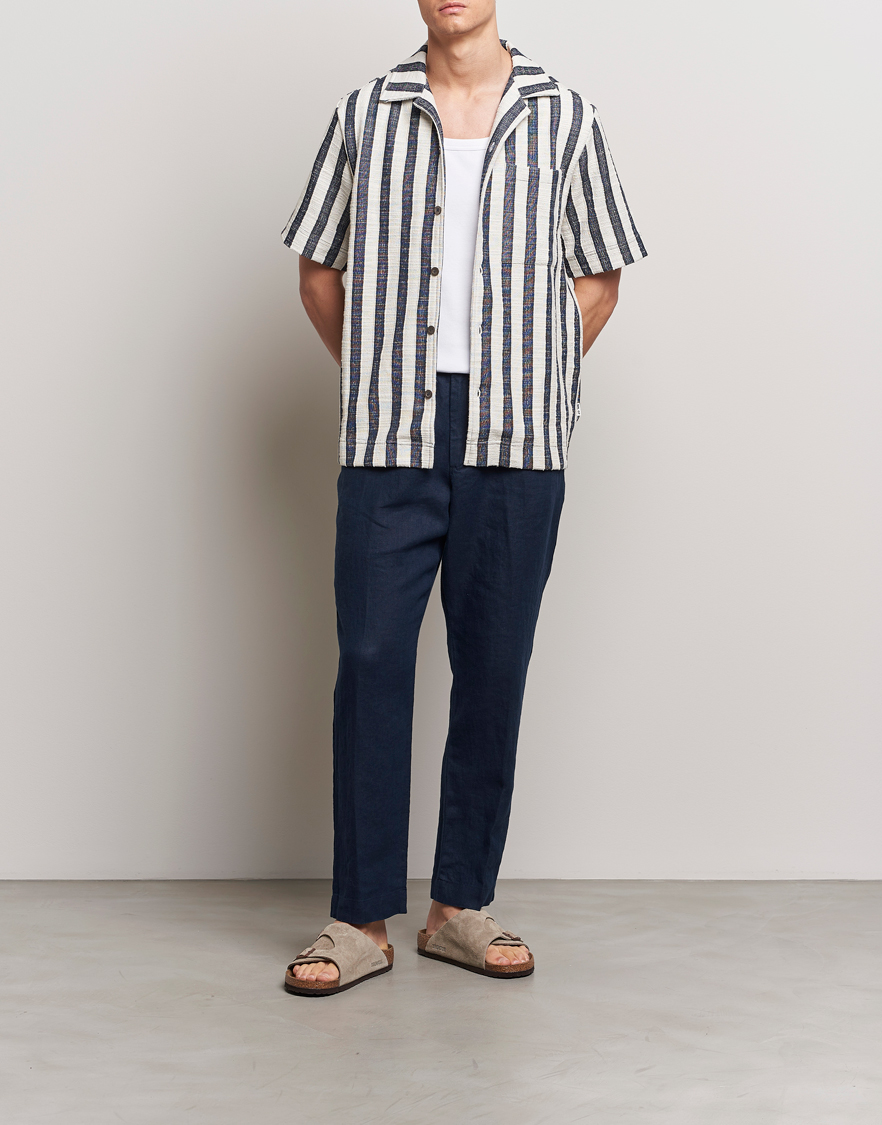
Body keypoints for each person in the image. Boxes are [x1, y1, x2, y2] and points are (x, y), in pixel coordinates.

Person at [281, 0, 646, 995]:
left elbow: (600, 278)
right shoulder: (365, 111)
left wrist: (534, 382)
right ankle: (358, 920)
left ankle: (459, 909)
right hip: (389, 436)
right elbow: (317, 273)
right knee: (370, 662)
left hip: (517, 442)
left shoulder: (566, 115)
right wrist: (380, 378)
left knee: (494, 668)